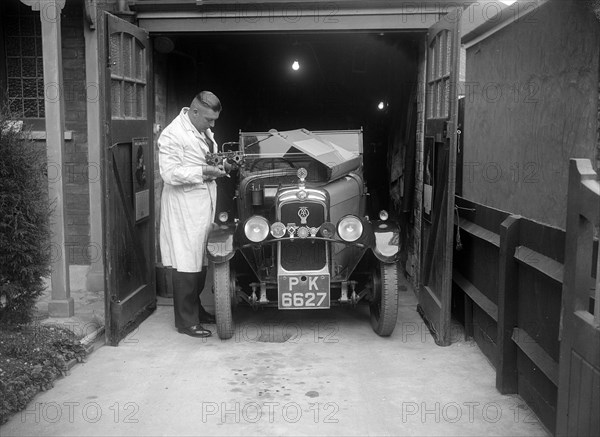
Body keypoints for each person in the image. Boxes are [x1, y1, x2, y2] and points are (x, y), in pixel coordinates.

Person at [158, 91, 227, 338]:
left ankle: (196, 309)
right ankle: (186, 322)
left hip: (201, 204)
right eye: (209, 119)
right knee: (187, 262)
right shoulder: (172, 134)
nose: (213, 125)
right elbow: (169, 173)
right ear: (194, 111)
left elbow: (205, 156)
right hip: (184, 206)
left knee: (200, 260)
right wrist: (205, 171)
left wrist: (219, 165)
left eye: (214, 120)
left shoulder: (200, 129)